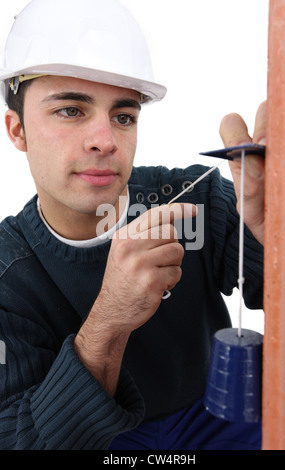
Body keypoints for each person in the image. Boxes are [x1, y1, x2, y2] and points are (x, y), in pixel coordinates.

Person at [0, 0, 265, 450]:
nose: (105, 140)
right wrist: (109, 320)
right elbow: (18, 439)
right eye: (71, 110)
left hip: (220, 419)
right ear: (18, 130)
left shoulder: (194, 199)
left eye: (123, 117)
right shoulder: (9, 273)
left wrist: (279, 237)